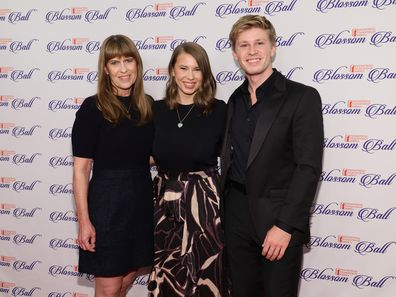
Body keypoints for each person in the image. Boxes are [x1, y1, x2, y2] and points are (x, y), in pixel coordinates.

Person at [220, 15, 324, 297]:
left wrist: (286, 225)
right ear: (234, 53)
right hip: (236, 217)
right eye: (244, 45)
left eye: (259, 43)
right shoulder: (234, 100)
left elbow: (308, 168)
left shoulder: (301, 97)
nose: (252, 51)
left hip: (277, 220)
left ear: (273, 48)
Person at [71, 34, 154, 297]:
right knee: (108, 288)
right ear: (106, 69)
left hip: (140, 200)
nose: (123, 69)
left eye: (128, 60)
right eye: (115, 62)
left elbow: (149, 155)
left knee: (128, 278)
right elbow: (81, 169)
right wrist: (84, 221)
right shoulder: (92, 108)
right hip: (107, 205)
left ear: (137, 65)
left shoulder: (148, 106)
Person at [148, 42, 229, 297]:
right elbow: (145, 156)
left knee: (206, 278)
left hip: (204, 205)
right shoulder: (156, 110)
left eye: (197, 69)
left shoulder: (219, 110)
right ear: (172, 70)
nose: (190, 76)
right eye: (183, 68)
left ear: (205, 74)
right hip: (165, 206)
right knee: (168, 277)